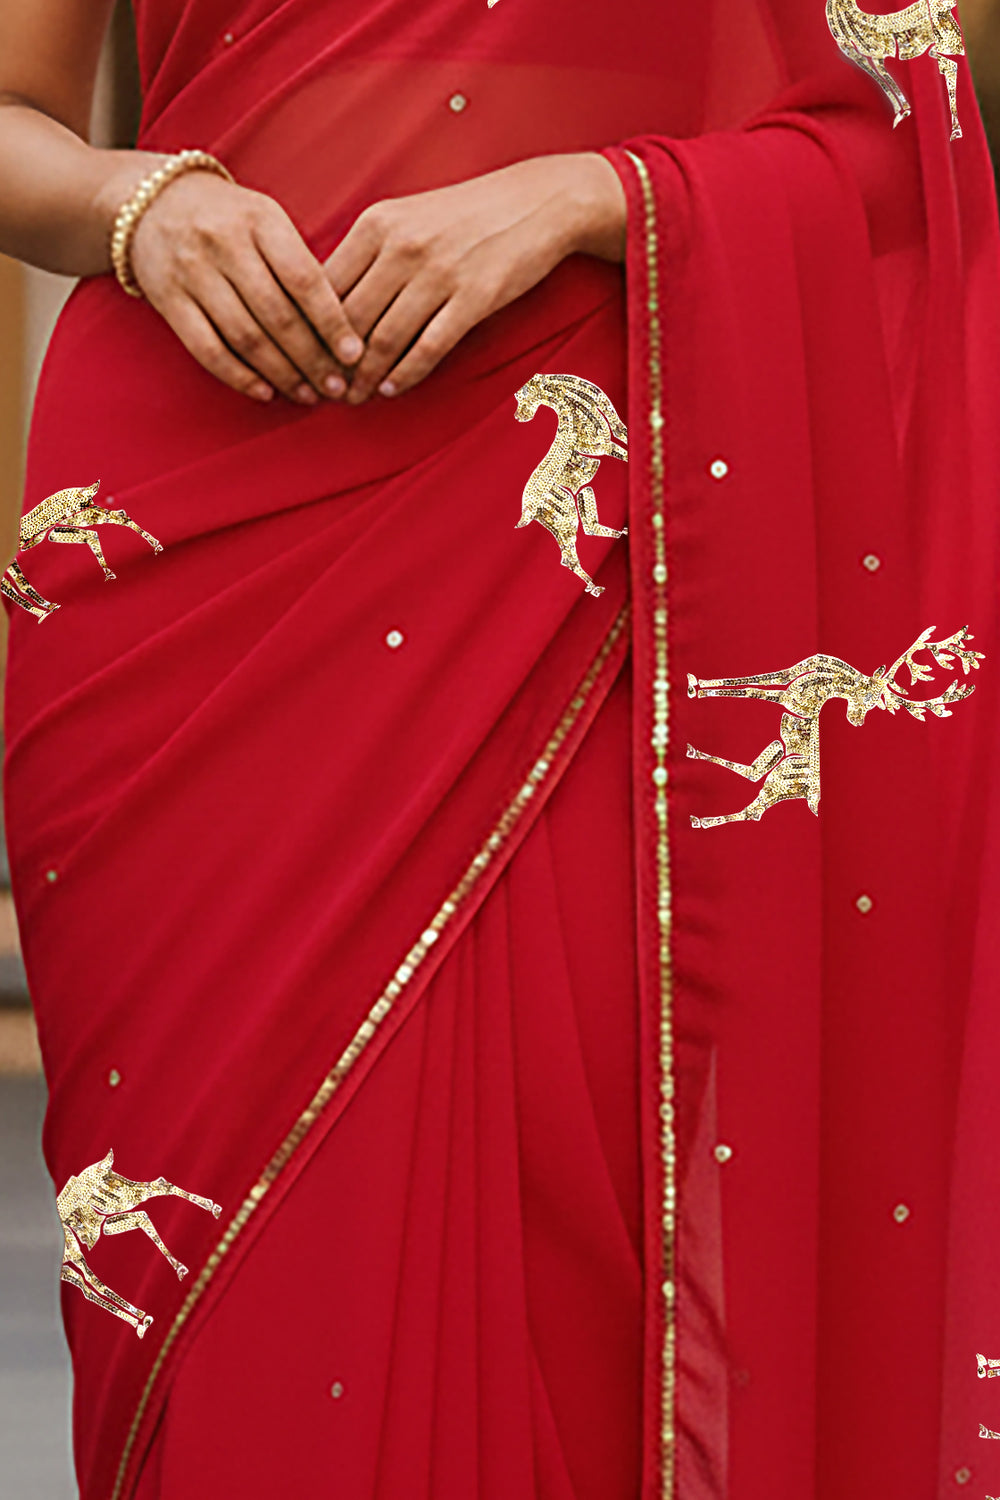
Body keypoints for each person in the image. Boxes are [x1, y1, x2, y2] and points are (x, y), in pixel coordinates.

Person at [1, 2, 999, 1497]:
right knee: (232, 1300)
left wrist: (597, 193)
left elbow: (902, 132)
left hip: (602, 557)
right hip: (191, 571)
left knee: (575, 1227)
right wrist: (140, 206)